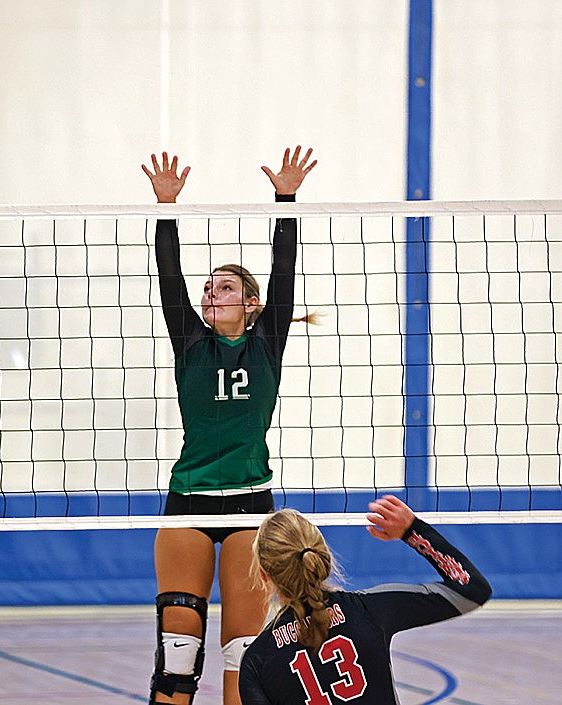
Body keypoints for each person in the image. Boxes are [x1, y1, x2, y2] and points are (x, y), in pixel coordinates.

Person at [139, 147, 317, 705]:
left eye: (224, 288)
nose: (209, 293)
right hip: (188, 501)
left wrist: (285, 199)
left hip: (249, 506)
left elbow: (283, 272)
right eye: (208, 288)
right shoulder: (192, 344)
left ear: (251, 303)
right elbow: (171, 279)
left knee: (244, 656)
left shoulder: (267, 344)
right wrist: (166, 207)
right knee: (178, 657)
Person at [239, 495, 492, 704]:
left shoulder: (256, 661)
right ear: (321, 556)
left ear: (263, 575)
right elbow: (472, 589)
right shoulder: (369, 610)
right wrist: (413, 531)